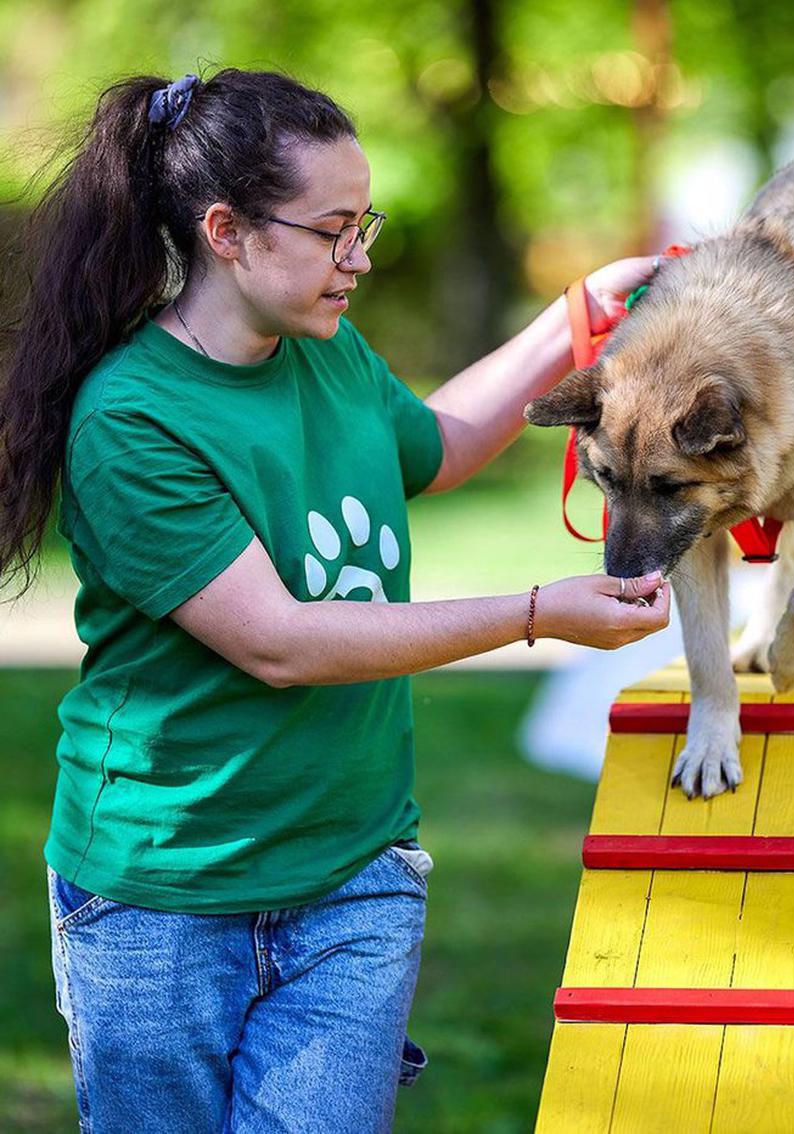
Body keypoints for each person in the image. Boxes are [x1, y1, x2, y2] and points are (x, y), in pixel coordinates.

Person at [1, 68, 669, 1133]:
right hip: (161, 896)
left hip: (354, 868)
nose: (360, 258)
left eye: (368, 225)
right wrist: (538, 609)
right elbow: (280, 643)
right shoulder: (130, 420)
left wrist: (576, 316)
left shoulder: (326, 346)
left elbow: (437, 447)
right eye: (333, 230)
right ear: (227, 230)